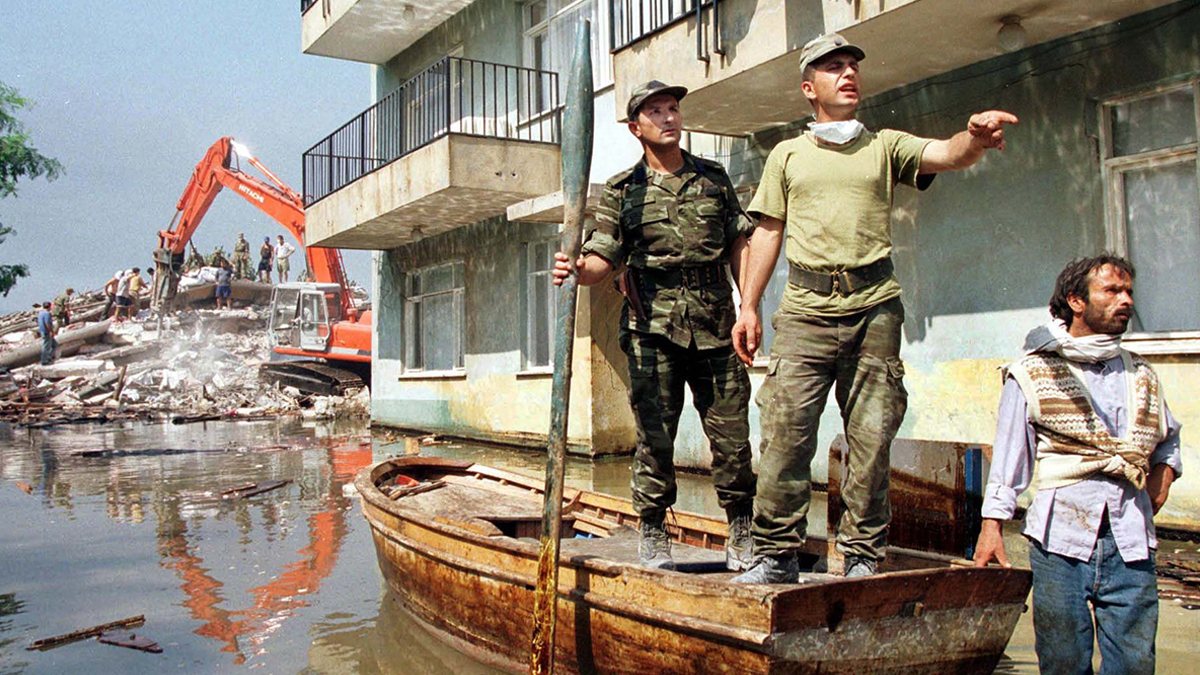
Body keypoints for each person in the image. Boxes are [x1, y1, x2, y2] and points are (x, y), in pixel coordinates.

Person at [730, 33, 1018, 583]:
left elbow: (947, 153)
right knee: (785, 432)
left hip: (875, 308)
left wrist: (975, 139)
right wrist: (748, 306)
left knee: (871, 436)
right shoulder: (787, 156)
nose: (848, 75)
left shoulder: (885, 145)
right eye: (833, 68)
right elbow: (768, 231)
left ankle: (862, 557)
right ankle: (776, 555)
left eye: (853, 67)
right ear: (808, 87)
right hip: (806, 309)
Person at [551, 81, 756, 571]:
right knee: (655, 438)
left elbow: (739, 244)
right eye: (656, 111)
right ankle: (653, 526)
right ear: (635, 127)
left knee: (731, 438)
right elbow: (604, 255)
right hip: (652, 332)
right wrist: (578, 271)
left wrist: (749, 305)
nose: (668, 117)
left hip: (715, 326)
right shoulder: (624, 191)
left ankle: (742, 528)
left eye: (673, 109)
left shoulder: (712, 178)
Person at [973, 255, 1181, 675]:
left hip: (1132, 540)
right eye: (1112, 291)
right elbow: (1010, 460)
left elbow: (1168, 440)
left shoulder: (1141, 373)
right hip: (1060, 541)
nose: (1126, 301)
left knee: (1136, 663)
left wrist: (1162, 481)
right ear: (1076, 301)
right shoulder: (1032, 373)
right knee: (1064, 663)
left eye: (1129, 293)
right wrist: (992, 527)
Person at [36, 301, 57, 365]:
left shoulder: (40, 313)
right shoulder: (47, 314)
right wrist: (51, 331)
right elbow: (47, 323)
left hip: (42, 330)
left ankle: (49, 357)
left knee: (54, 345)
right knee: (46, 347)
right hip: (46, 331)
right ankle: (44, 360)